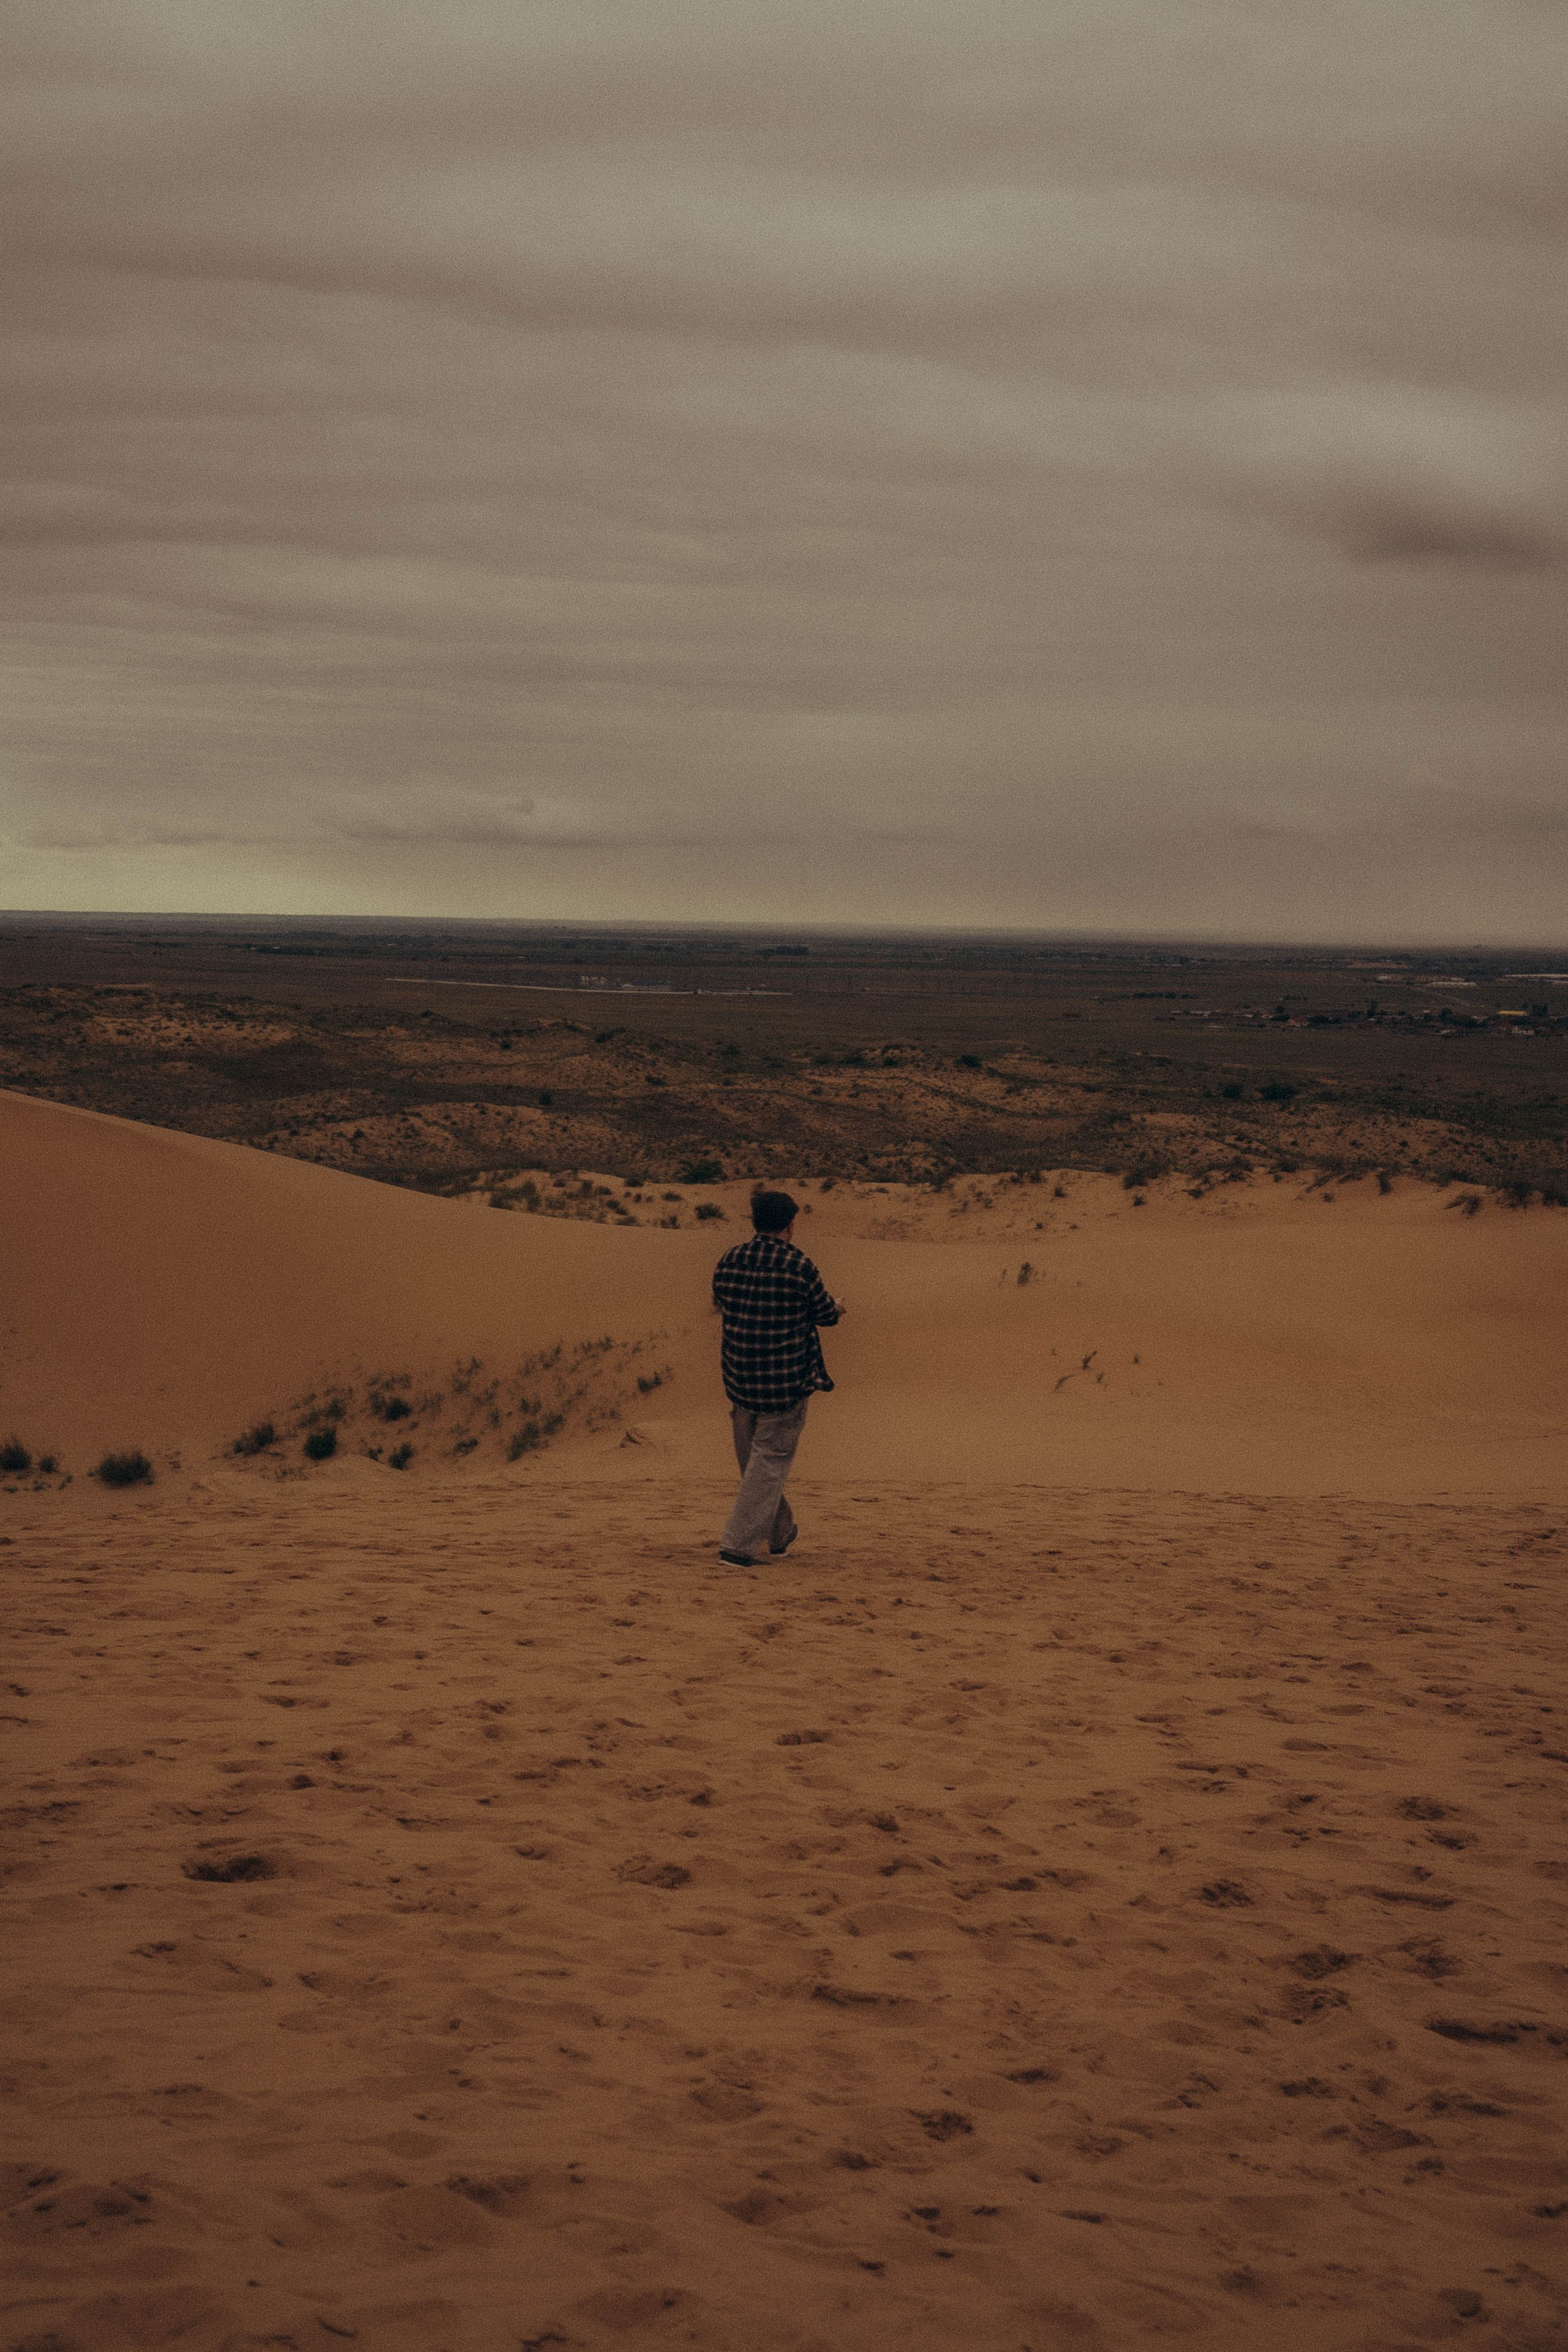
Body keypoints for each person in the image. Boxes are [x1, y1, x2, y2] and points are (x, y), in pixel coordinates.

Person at [710, 1188, 843, 1567]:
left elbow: (720, 1299)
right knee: (766, 1464)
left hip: (740, 1378)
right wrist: (837, 1307)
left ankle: (780, 1531)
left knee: (756, 1465)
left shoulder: (730, 1259)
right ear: (790, 1224)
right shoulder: (798, 1265)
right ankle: (737, 1548)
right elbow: (825, 1314)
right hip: (785, 1382)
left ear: (755, 1223)